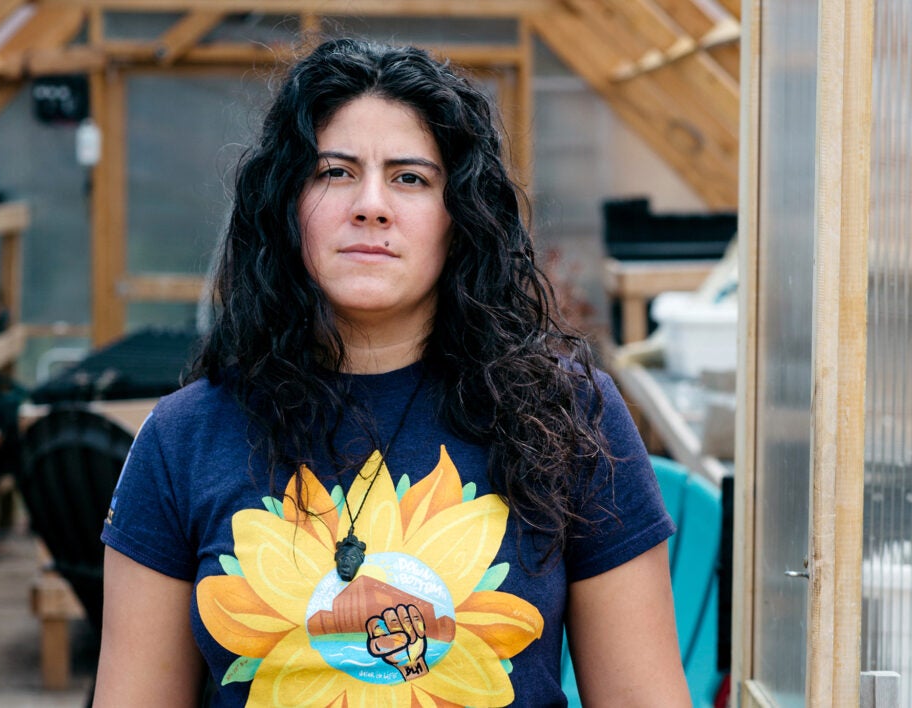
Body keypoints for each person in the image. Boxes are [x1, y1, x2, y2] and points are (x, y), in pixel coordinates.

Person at [94, 37, 690, 707]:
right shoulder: (184, 441)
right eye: (334, 172)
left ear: (458, 217)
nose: (370, 204)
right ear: (287, 207)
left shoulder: (567, 415)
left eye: (410, 177)